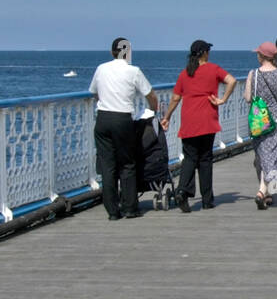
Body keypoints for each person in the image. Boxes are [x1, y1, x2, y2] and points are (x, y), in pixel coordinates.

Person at [161, 40, 235, 212]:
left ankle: (183, 191)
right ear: (203, 53)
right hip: (207, 120)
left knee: (190, 158)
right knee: (205, 159)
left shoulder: (185, 73)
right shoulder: (213, 69)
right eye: (208, 51)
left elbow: (175, 98)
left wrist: (167, 117)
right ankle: (207, 200)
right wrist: (223, 99)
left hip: (189, 121)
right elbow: (231, 81)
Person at [89, 37, 158, 220]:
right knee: (127, 163)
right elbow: (150, 95)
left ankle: (112, 211)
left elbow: (94, 92)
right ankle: (130, 207)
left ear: (112, 52)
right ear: (127, 53)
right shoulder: (133, 71)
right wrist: (153, 111)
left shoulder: (101, 69)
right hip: (122, 119)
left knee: (107, 165)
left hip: (103, 118)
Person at [246, 42, 277, 209]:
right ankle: (264, 191)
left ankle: (267, 192)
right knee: (272, 154)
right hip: (275, 119)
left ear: (261, 56)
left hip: (257, 120)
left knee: (260, 156)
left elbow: (248, 97)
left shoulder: (253, 74)